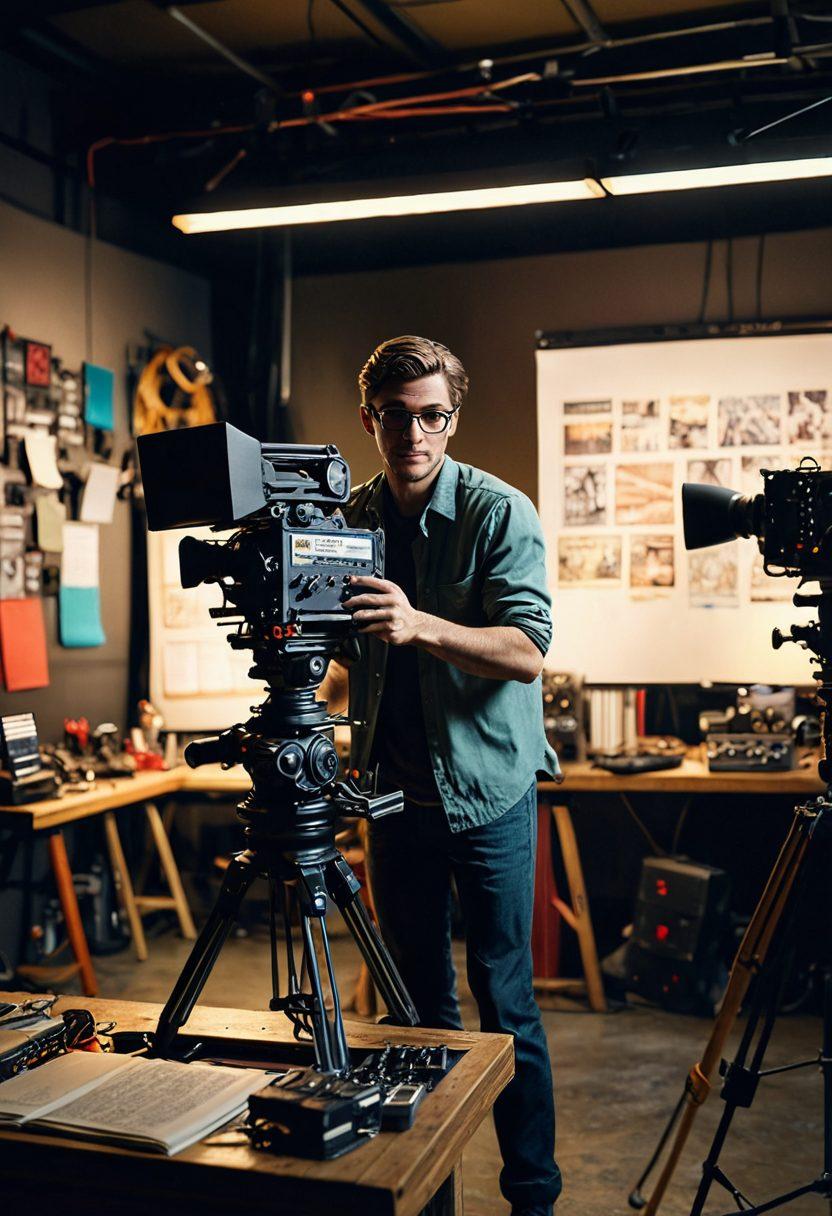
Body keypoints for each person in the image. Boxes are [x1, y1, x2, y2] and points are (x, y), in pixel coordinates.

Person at [320, 335, 562, 1216]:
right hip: (394, 796)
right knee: (418, 1011)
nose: (414, 434)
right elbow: (353, 660)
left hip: (489, 796)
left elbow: (527, 652)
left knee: (505, 1001)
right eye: (396, 416)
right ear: (369, 419)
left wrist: (421, 624)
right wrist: (307, 676)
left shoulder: (501, 514)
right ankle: (432, 1197)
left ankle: (532, 1195)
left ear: (452, 419)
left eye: (431, 417)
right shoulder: (343, 520)